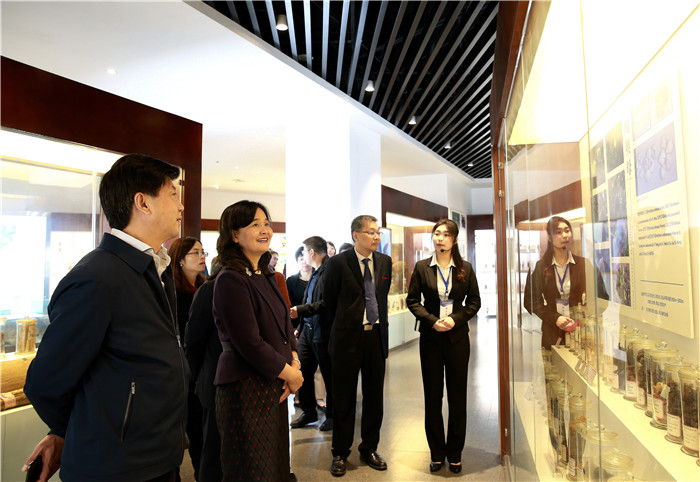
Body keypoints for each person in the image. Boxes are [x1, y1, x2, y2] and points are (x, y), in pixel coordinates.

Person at [22, 153, 188, 482]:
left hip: (158, 455)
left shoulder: (156, 267)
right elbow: (45, 383)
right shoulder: (96, 278)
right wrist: (73, 429)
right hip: (116, 466)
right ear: (143, 203)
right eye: (173, 194)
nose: (181, 206)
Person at [212, 201, 303, 481]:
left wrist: (295, 361)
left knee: (275, 466)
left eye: (266, 223)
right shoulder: (230, 279)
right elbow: (250, 342)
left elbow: (285, 327)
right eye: (255, 224)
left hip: (273, 383)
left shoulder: (266, 275)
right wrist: (291, 374)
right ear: (234, 234)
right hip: (245, 388)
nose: (265, 230)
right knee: (252, 469)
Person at [406, 218, 481, 473]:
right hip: (431, 339)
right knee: (433, 396)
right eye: (437, 233)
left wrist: (454, 319)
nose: (440, 238)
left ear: (455, 240)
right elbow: (413, 301)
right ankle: (437, 453)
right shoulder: (422, 267)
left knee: (457, 397)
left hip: (457, 338)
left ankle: (455, 453)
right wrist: (432, 321)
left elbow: (474, 302)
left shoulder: (465, 268)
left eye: (446, 234)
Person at [324, 215, 392, 477]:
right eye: (371, 232)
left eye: (378, 232)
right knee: (344, 398)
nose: (376, 237)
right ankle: (340, 452)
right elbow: (330, 301)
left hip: (375, 337)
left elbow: (381, 297)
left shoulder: (384, 261)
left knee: (375, 397)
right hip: (347, 340)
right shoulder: (338, 263)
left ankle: (369, 448)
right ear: (356, 235)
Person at [530, 216, 608, 349]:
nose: (564, 235)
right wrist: (555, 318)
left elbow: (602, 297)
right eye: (558, 232)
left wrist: (584, 317)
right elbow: (531, 301)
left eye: (567, 231)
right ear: (550, 238)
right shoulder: (542, 267)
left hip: (580, 333)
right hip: (552, 333)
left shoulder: (584, 264)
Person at [169, 236, 207, 480]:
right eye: (195, 252)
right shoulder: (172, 292)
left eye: (203, 252)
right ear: (180, 259)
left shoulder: (205, 287)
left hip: (204, 368)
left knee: (202, 434)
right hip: (182, 371)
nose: (202, 257)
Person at [290, 236, 334, 431]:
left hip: (322, 332)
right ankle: (309, 412)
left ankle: (332, 416)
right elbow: (309, 299)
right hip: (307, 331)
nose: (303, 256)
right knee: (304, 372)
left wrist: (300, 310)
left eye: (304, 252)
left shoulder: (330, 271)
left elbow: (327, 303)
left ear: (312, 252)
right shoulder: (315, 272)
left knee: (329, 376)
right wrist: (299, 327)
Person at [185, 264, 223, 482]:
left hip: (243, 384)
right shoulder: (210, 289)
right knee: (212, 449)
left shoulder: (257, 283)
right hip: (213, 378)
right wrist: (196, 375)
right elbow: (194, 340)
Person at [286, 246, 312, 313]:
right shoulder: (290, 281)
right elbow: (287, 303)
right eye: (301, 259)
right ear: (297, 261)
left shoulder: (319, 279)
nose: (304, 262)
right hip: (296, 316)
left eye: (306, 258)